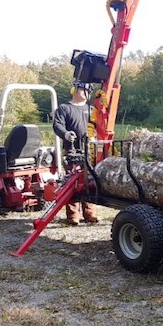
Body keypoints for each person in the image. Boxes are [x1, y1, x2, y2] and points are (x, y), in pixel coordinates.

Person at [52, 81, 100, 225]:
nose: (86, 93)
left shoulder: (91, 110)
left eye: (88, 91)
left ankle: (90, 213)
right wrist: (66, 134)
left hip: (89, 151)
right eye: (83, 90)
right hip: (72, 151)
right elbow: (57, 125)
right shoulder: (64, 108)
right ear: (75, 90)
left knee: (89, 182)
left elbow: (99, 126)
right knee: (72, 183)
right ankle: (73, 216)